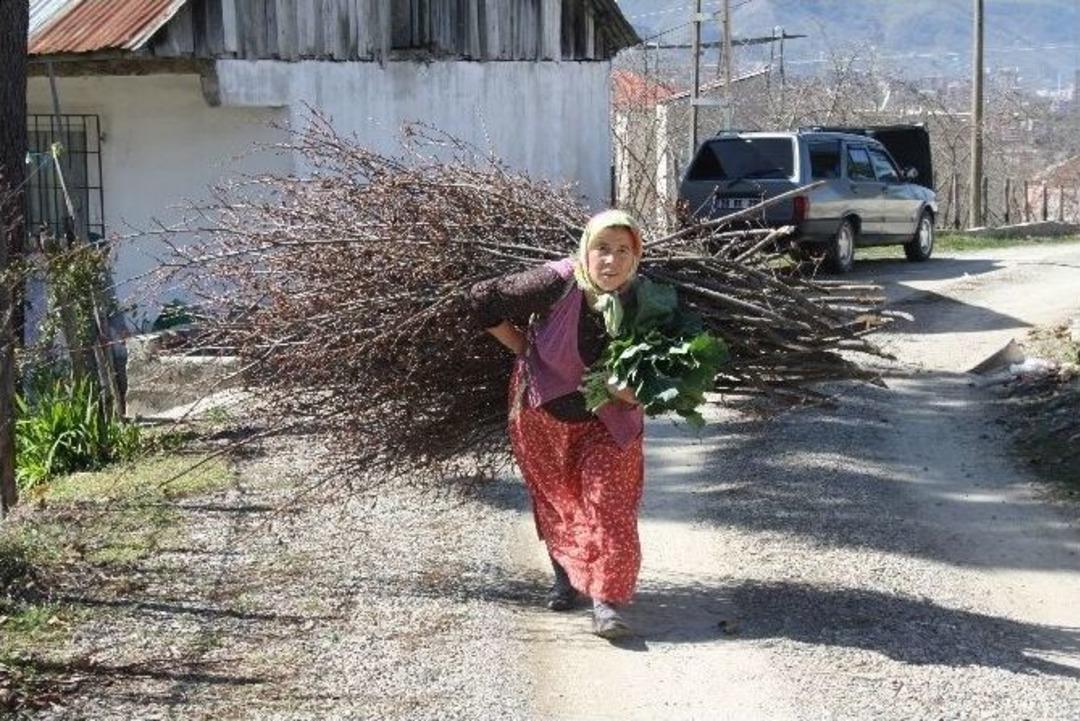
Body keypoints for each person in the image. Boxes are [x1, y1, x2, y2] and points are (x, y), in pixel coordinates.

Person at [469, 210, 646, 639]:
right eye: (602, 248)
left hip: (611, 421)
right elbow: (481, 299)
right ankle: (565, 576)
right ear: (586, 249)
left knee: (609, 504)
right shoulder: (555, 282)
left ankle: (606, 602)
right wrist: (525, 348)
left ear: (636, 255)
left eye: (624, 250)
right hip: (542, 412)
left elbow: (664, 381)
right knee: (558, 498)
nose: (612, 261)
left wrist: (628, 391)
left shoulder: (648, 300)